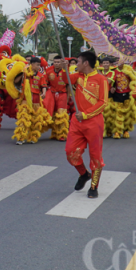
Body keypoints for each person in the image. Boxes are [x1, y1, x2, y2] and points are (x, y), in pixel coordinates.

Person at [59, 50, 108, 199]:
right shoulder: (78, 77)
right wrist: (63, 67)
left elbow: (103, 103)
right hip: (77, 122)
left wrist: (86, 114)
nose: (76, 65)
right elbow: (65, 79)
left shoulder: (101, 79)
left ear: (86, 63)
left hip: (94, 122)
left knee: (95, 156)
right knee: (70, 152)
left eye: (78, 62)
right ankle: (83, 174)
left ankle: (94, 186)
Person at [41, 54, 70, 141]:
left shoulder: (66, 72)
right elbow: (45, 84)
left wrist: (68, 97)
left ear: (62, 63)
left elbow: (68, 85)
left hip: (63, 94)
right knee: (53, 114)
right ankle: (54, 133)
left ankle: (62, 134)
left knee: (61, 114)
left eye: (58, 62)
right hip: (52, 94)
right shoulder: (49, 71)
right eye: (55, 62)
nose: (57, 64)